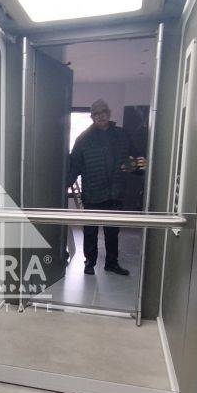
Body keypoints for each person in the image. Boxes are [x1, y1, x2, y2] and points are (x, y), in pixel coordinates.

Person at [67, 99, 147, 276]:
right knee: (90, 231)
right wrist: (62, 185)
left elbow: (136, 158)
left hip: (115, 193)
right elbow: (74, 166)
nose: (100, 116)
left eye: (103, 112)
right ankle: (90, 263)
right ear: (92, 117)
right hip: (93, 193)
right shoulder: (83, 139)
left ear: (109, 113)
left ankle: (111, 263)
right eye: (96, 114)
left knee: (112, 231)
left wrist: (134, 167)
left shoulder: (122, 135)